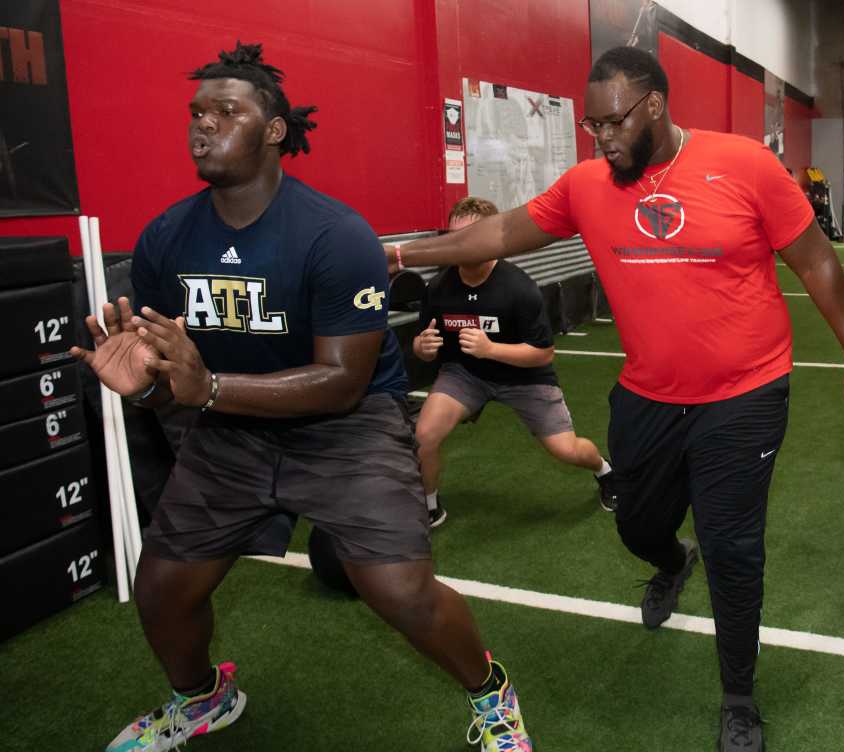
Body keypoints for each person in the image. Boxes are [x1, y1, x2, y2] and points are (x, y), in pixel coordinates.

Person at [389, 46, 844, 752]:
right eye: (593, 126)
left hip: (745, 394)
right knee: (636, 526)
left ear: (655, 104)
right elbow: (497, 232)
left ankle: (738, 695)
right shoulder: (589, 184)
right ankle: (671, 562)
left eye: (614, 121)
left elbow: (816, 260)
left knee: (733, 546)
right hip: (647, 395)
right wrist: (406, 255)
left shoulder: (743, 165)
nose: (604, 138)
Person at [73, 43, 532, 752]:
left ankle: (490, 691)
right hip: (228, 429)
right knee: (163, 588)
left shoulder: (335, 235)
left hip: (346, 428)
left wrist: (207, 389)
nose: (204, 124)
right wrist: (146, 389)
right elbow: (172, 377)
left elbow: (341, 381)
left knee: (398, 592)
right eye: (197, 112)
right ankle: (201, 700)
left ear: (274, 130)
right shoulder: (165, 237)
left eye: (228, 110)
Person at [413, 196, 617, 526]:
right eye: (453, 238)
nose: (459, 247)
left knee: (566, 450)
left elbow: (543, 353)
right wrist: (422, 346)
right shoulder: (439, 286)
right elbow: (424, 343)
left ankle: (605, 470)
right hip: (465, 374)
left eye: (469, 238)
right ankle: (429, 506)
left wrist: (490, 349)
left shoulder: (518, 288)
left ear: (491, 241)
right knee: (424, 436)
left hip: (525, 377)